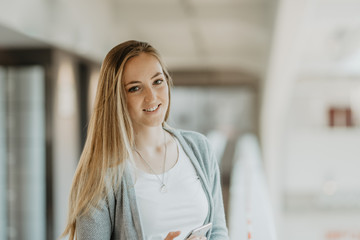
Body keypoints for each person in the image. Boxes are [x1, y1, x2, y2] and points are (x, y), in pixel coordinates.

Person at [61, 40, 229, 240]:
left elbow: (218, 231)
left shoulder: (199, 148)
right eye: (135, 88)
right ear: (117, 98)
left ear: (167, 81)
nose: (151, 97)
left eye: (157, 81)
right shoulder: (99, 173)